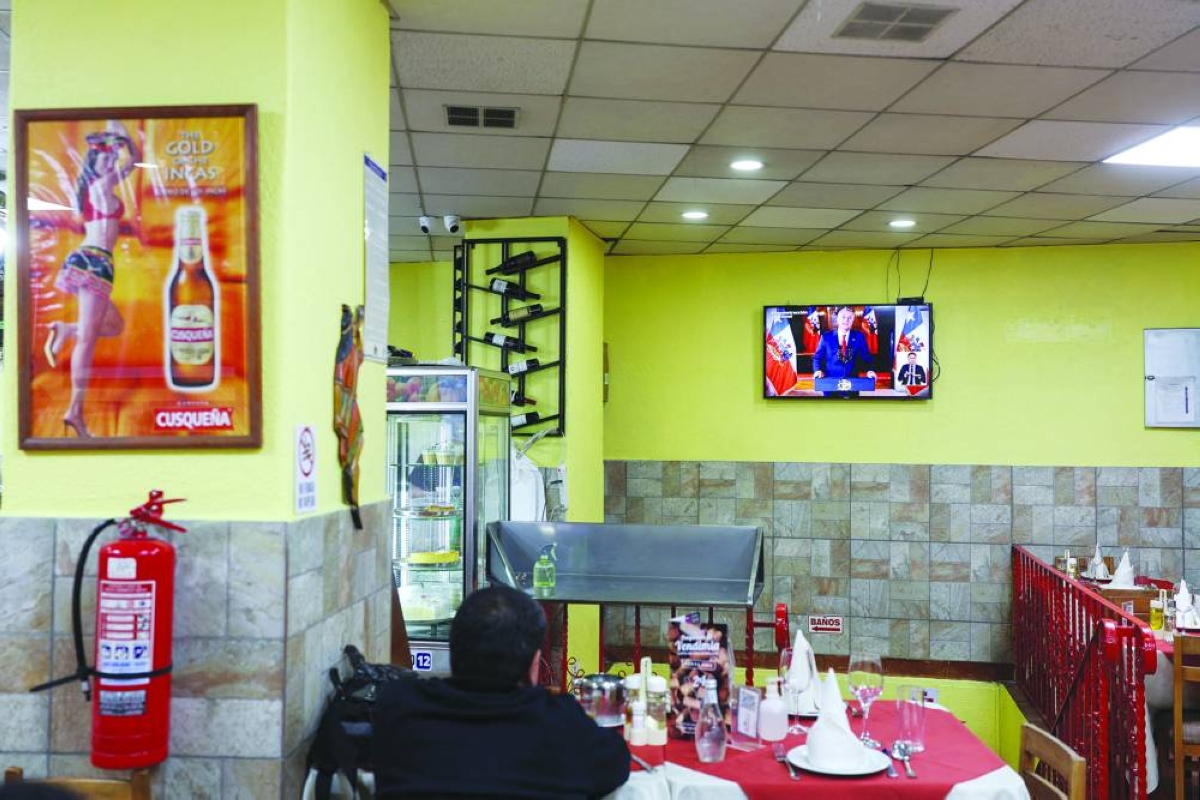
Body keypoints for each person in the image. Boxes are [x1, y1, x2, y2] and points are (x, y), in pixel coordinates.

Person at [372, 584, 630, 799]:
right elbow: (616, 764)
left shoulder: (399, 707)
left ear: (454, 652)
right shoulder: (562, 725)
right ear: (533, 666)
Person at [43, 121, 141, 438]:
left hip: (97, 262)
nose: (111, 164)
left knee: (113, 326)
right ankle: (75, 410)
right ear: (94, 166)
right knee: (88, 340)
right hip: (94, 262)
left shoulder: (99, 189)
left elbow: (131, 161)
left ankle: (65, 329)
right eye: (104, 160)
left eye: (111, 160)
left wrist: (123, 141)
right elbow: (132, 161)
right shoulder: (99, 187)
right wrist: (122, 139)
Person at [812, 306, 876, 395]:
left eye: (849, 318)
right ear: (837, 319)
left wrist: (870, 370)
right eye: (843, 317)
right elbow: (817, 358)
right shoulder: (826, 337)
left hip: (852, 384)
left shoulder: (859, 336)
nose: (846, 320)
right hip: (830, 384)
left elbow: (867, 358)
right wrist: (818, 371)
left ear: (853, 320)